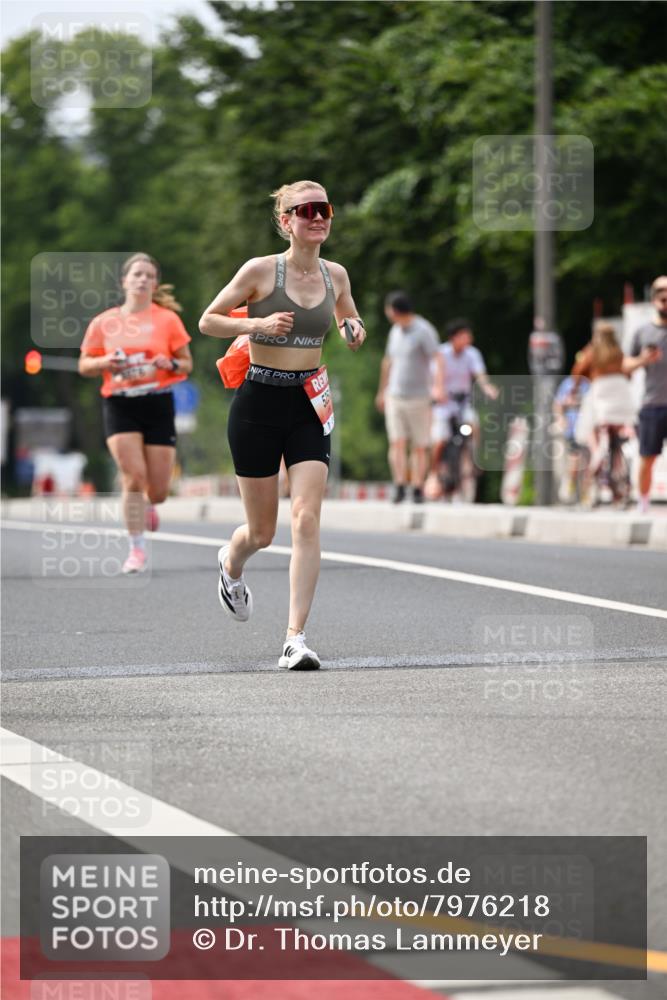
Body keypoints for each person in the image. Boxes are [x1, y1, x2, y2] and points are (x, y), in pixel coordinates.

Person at [199, 180, 365, 670]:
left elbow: (349, 317)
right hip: (258, 403)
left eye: (324, 209)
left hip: (308, 403)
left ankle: (295, 638)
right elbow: (208, 320)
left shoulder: (336, 275)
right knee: (262, 531)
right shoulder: (260, 271)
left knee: (306, 518)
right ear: (285, 221)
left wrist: (353, 329)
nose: (317, 217)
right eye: (305, 210)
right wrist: (256, 324)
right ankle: (231, 563)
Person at [79, 252, 193, 573]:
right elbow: (84, 365)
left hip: (157, 402)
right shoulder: (104, 322)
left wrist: (169, 363)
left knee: (158, 491)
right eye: (137, 274)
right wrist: (105, 362)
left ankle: (147, 503)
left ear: (155, 284)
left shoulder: (167, 320)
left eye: (149, 275)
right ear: (124, 281)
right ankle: (136, 550)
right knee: (133, 477)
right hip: (120, 403)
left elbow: (186, 364)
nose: (143, 279)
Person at [375, 292, 445, 503]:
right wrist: (382, 391)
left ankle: (416, 486)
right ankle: (399, 484)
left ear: (394, 311)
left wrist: (438, 387)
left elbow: (438, 358)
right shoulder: (395, 331)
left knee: (419, 445)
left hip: (419, 397)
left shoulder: (424, 330)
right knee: (397, 442)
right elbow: (388, 361)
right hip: (395, 396)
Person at [428, 319, 498, 497]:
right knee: (440, 439)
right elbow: (434, 378)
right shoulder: (441, 353)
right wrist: (437, 392)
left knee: (473, 425)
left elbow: (480, 374)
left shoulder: (472, 354)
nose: (469, 339)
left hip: (463, 401)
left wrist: (488, 388)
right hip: (445, 403)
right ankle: (434, 472)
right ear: (454, 337)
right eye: (465, 335)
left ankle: (475, 457)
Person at [572, 323, 636, 505]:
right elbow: (628, 375)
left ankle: (593, 466)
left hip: (601, 397)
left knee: (592, 430)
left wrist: (574, 391)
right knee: (617, 435)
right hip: (622, 399)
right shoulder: (619, 353)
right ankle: (620, 477)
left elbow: (577, 373)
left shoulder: (592, 352)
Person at [622, 276, 667, 513]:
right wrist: (643, 359)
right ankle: (643, 504)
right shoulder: (643, 332)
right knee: (647, 457)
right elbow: (625, 366)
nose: (665, 296)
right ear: (653, 298)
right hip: (652, 405)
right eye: (660, 292)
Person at [552, 372, 590, 504]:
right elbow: (558, 404)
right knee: (575, 460)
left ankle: (585, 493)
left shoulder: (588, 384)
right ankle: (570, 486)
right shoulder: (567, 383)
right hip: (573, 428)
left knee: (587, 463)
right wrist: (561, 419)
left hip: (587, 429)